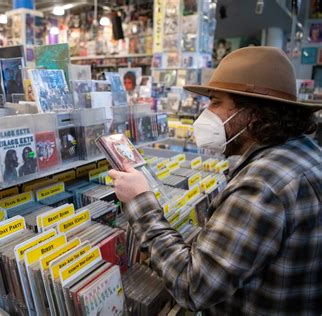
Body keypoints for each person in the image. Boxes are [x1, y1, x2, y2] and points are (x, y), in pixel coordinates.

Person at [109, 47, 321, 315]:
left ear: (253, 114)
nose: (206, 112)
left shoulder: (262, 185)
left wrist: (142, 204)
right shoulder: (304, 153)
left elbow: (193, 286)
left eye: (216, 102)